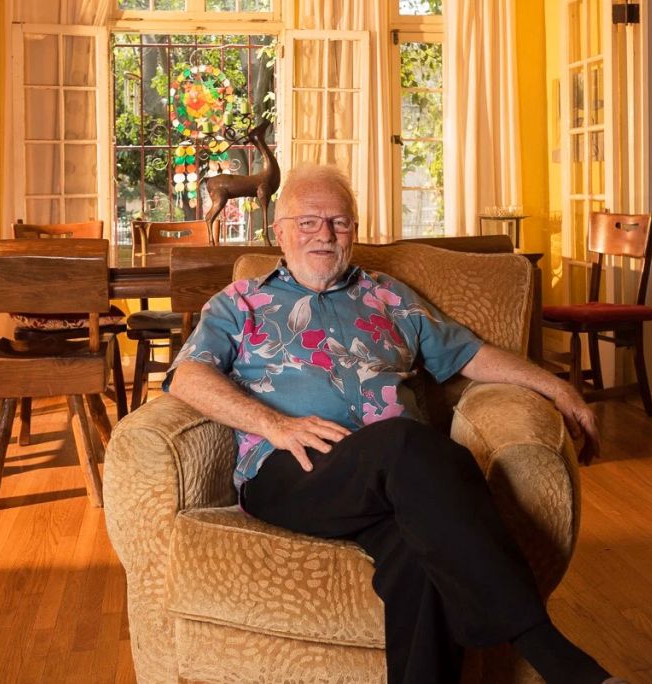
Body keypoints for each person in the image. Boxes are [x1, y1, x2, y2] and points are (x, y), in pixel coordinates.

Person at [166, 164, 620, 684]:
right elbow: (187, 376)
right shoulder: (241, 301)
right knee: (406, 442)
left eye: (339, 222)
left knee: (420, 557)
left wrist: (558, 387)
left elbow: (471, 355)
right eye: (309, 222)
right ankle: (548, 650)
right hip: (292, 468)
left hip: (400, 479)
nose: (325, 235)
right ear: (279, 231)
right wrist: (273, 425)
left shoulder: (388, 295)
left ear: (354, 232)